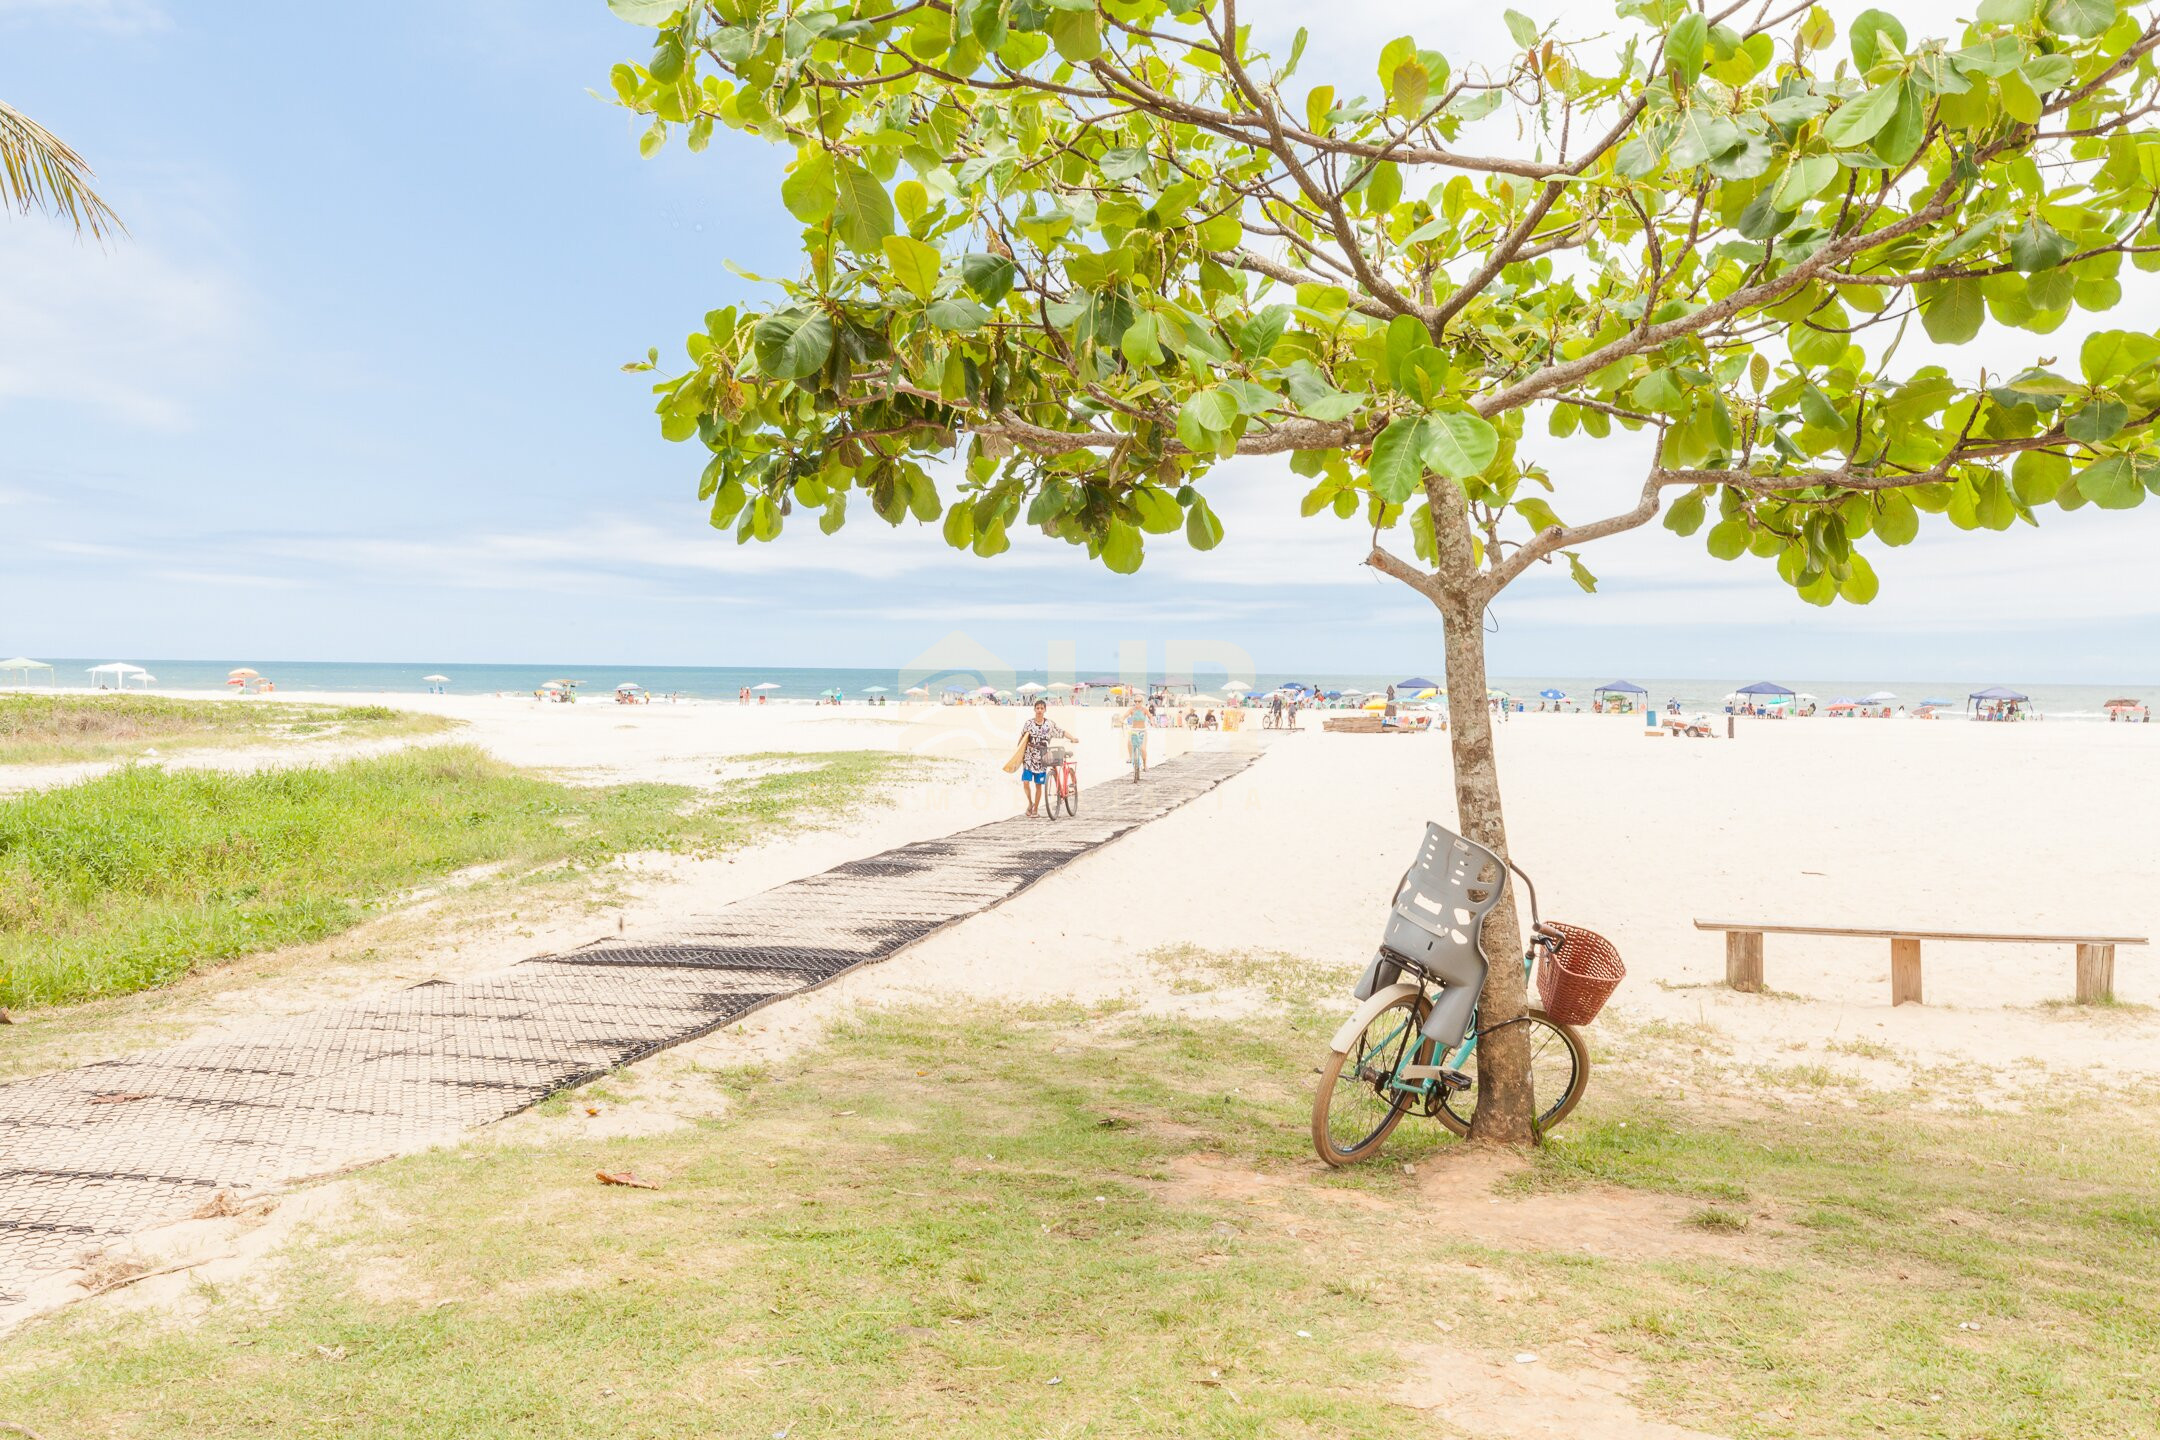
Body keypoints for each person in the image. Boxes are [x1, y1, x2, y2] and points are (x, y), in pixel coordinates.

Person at [1016, 698, 1075, 817]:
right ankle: (1030, 803)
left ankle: (1035, 810)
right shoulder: (1028, 723)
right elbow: (1022, 737)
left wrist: (1072, 738)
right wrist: (1018, 752)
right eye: (1037, 708)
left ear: (1045, 710)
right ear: (1034, 709)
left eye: (1041, 708)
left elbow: (1061, 732)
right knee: (1026, 782)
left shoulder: (1049, 724)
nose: (1039, 710)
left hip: (1042, 758)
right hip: (1029, 757)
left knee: (1038, 785)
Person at [1124, 696, 1149, 780]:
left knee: (1143, 749)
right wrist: (1121, 719)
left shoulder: (1145, 710)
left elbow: (1150, 716)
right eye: (1135, 701)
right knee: (1129, 742)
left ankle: (1145, 765)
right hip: (1134, 730)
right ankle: (1130, 757)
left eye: (1139, 701)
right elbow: (1125, 715)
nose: (1137, 703)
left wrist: (1153, 721)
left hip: (1143, 730)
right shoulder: (1132, 710)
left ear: (1142, 702)